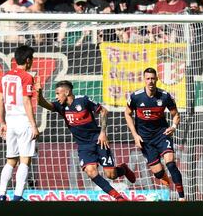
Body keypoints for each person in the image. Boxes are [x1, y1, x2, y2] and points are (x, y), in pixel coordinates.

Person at [36, 80, 136, 201]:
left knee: (112, 175)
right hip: (83, 146)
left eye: (58, 93)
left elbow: (104, 111)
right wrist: (39, 93)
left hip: (99, 140)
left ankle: (123, 169)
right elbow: (42, 103)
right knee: (90, 171)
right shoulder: (60, 106)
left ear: (67, 92)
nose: (56, 97)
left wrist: (103, 133)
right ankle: (118, 197)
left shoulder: (83, 100)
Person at [124, 67, 185, 201]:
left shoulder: (165, 96)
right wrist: (135, 135)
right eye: (148, 79)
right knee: (158, 173)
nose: (150, 81)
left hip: (162, 134)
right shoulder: (135, 97)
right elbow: (127, 114)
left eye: (153, 78)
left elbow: (175, 115)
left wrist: (174, 127)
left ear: (157, 79)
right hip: (145, 139)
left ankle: (182, 198)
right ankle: (165, 179)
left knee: (171, 164)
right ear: (144, 80)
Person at [0, 45, 39, 201]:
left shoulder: (5, 76)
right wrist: (34, 125)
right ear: (28, 60)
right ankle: (17, 196)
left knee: (10, 161)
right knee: (25, 160)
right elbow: (27, 102)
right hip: (23, 121)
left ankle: (1, 195)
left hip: (10, 121)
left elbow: (0, 100)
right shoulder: (27, 76)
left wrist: (2, 122)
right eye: (32, 59)